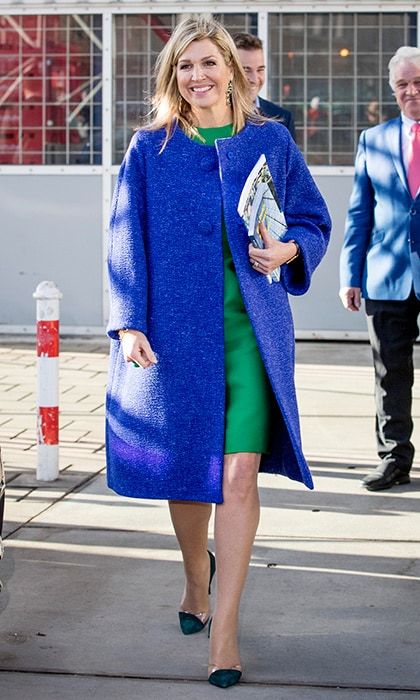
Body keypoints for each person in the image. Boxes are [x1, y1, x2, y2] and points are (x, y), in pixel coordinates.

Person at [106, 15, 330, 689]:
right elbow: (125, 237)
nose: (197, 76)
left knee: (237, 477)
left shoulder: (271, 141)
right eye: (184, 66)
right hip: (176, 338)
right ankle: (195, 580)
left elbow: (313, 219)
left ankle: (224, 632)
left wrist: (293, 249)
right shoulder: (151, 148)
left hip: (252, 335)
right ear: (172, 76)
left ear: (232, 68)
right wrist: (129, 323)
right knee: (190, 473)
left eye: (208, 62)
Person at [339, 46, 420, 492]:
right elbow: (359, 214)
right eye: (402, 85)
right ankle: (394, 458)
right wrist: (350, 275)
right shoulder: (374, 139)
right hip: (386, 276)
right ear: (393, 90)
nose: (411, 92)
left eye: (418, 82)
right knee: (390, 373)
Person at [233, 32, 296, 139]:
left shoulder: (283, 118)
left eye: (260, 70)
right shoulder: (210, 116)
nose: (255, 79)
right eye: (246, 70)